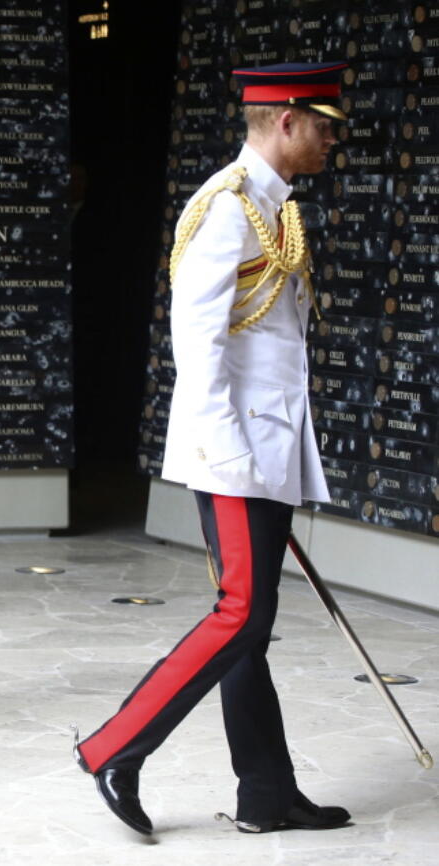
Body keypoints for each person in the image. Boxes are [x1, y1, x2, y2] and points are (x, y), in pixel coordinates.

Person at [74, 62, 354, 836]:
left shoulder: (275, 210)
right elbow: (197, 349)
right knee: (238, 614)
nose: (334, 138)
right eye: (324, 123)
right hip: (231, 456)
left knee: (252, 626)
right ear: (286, 120)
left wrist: (281, 470)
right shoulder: (226, 209)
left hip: (264, 456)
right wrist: (239, 468)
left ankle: (265, 792)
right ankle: (112, 748)